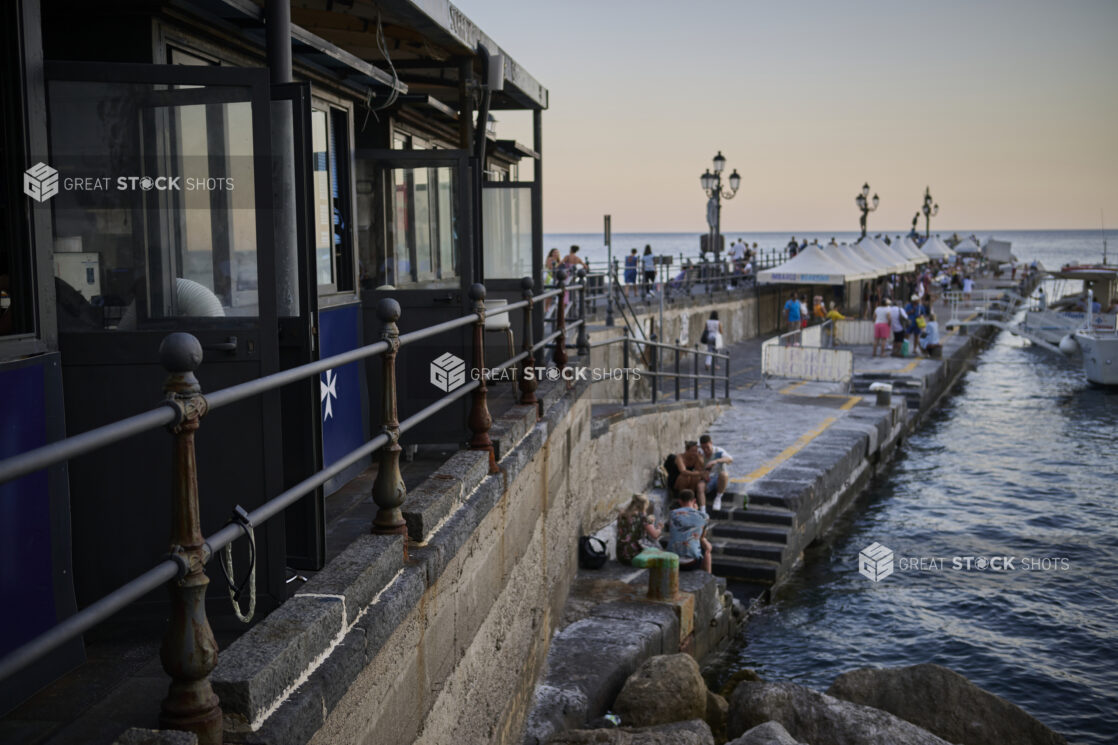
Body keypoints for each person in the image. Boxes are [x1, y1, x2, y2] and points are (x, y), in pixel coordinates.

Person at [666, 489, 711, 573]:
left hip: (672, 560)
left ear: (679, 501)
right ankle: (708, 575)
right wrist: (696, 510)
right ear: (694, 501)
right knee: (707, 547)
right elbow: (702, 537)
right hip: (692, 563)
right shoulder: (704, 516)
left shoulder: (672, 514)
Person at [615, 494, 661, 565]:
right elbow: (655, 535)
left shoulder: (622, 514)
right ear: (644, 505)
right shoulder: (642, 517)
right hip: (634, 556)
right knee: (659, 550)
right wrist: (659, 528)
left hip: (621, 555)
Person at [700, 435, 733, 511]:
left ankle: (718, 498)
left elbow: (730, 459)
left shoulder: (718, 451)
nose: (705, 450)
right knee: (699, 486)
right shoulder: (700, 453)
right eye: (703, 448)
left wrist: (716, 461)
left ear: (711, 443)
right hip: (707, 479)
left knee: (724, 474)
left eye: (707, 447)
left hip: (719, 479)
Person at [673, 441, 709, 512]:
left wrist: (700, 459)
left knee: (696, 476)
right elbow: (683, 471)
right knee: (685, 477)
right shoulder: (680, 457)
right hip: (677, 481)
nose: (695, 453)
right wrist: (700, 473)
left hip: (690, 482)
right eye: (692, 451)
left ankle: (690, 500)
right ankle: (682, 499)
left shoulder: (696, 457)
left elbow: (700, 469)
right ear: (687, 450)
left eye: (696, 451)